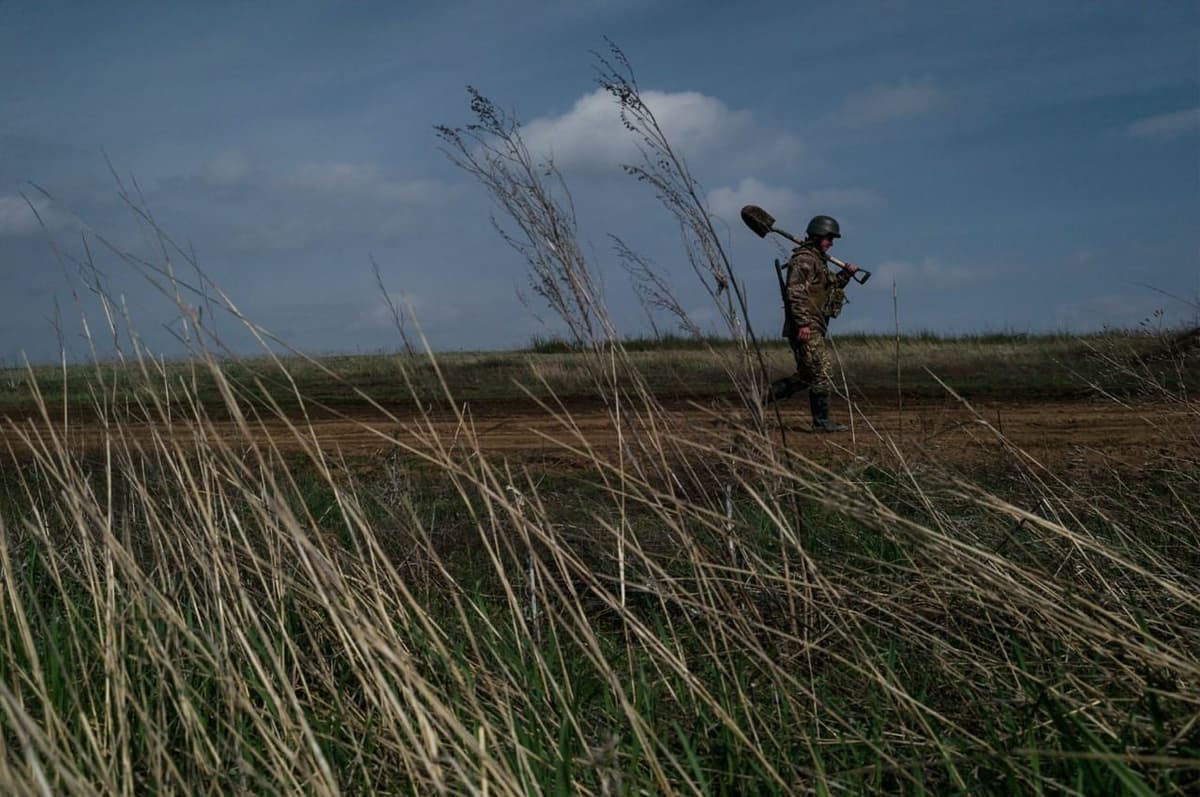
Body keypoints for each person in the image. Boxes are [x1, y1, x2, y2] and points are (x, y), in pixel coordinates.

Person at [764, 214, 860, 432]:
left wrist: (846, 275)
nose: (831, 243)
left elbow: (828, 289)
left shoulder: (817, 260)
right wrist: (803, 324)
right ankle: (822, 423)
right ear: (818, 236)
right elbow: (795, 293)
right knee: (821, 372)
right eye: (829, 238)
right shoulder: (804, 260)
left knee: (807, 377)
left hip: (813, 325)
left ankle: (758, 399)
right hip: (807, 327)